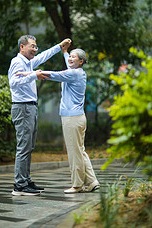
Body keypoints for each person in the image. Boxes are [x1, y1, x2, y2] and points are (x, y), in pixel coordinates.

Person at [16, 44, 100, 194]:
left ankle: (77, 185)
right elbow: (68, 61)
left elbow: (56, 75)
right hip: (77, 117)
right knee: (80, 151)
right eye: (71, 56)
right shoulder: (77, 71)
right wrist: (65, 52)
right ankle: (92, 181)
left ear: (81, 61)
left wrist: (31, 74)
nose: (71, 59)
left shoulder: (73, 74)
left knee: (75, 153)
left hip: (71, 118)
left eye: (75, 57)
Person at [8, 35, 71, 196]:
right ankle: (20, 185)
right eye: (32, 46)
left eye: (36, 47)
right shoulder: (17, 62)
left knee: (29, 146)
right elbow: (13, 83)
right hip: (22, 108)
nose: (35, 49)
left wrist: (59, 46)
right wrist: (33, 76)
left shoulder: (28, 62)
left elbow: (44, 56)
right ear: (22, 47)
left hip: (30, 108)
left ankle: (26, 180)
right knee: (23, 147)